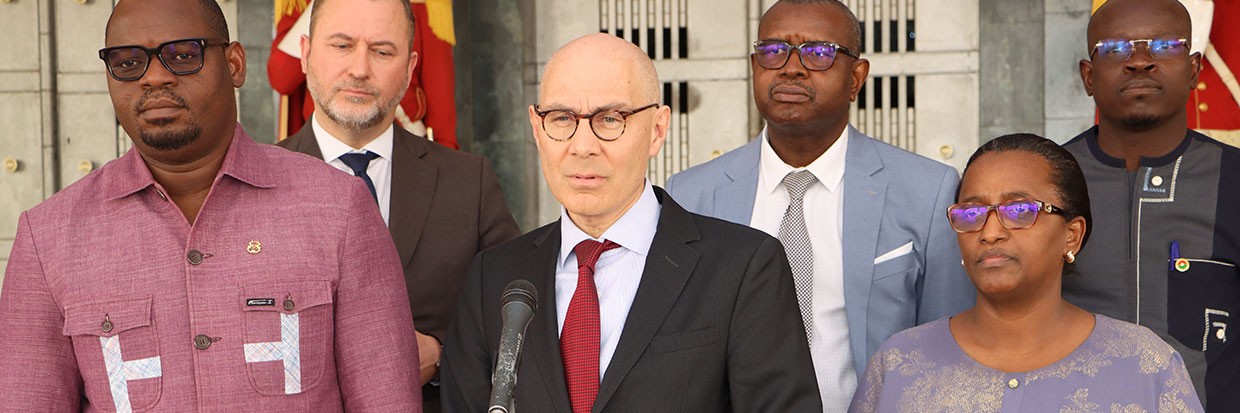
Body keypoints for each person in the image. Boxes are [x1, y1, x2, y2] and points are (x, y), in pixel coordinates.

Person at [0, 0, 422, 411]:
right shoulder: (48, 237)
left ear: (235, 64)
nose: (156, 77)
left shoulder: (339, 208)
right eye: (129, 62)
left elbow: (387, 400)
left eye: (183, 55)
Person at [440, 33, 822, 412]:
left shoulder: (744, 266)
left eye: (610, 119)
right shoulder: (493, 278)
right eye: (561, 118)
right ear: (537, 129)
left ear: (657, 129)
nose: (583, 145)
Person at [665, 0, 973, 408]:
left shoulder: (928, 190)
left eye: (819, 52)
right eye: (774, 51)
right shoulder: (690, 196)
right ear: (754, 65)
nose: (791, 67)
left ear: (856, 78)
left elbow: (948, 346)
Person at [274, 0, 521, 408]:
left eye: (382, 51)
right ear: (304, 54)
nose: (359, 68)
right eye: (341, 45)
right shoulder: (254, 185)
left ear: (409, 69)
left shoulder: (468, 183)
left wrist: (444, 354)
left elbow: (520, 312)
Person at [850, 134, 1202, 413]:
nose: (990, 232)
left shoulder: (1144, 365)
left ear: (1072, 235)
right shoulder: (899, 364)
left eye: (1019, 210)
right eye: (971, 214)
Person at [1064, 0, 1240, 409]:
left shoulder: (1233, 180)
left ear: (1194, 69)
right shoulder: (1045, 184)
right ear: (1088, 77)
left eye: (1163, 46)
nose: (1139, 61)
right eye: (1114, 49)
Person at [268, 0, 459, 147]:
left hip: (400, 151)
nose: (359, 71)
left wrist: (443, 174)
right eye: (341, 46)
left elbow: (441, 106)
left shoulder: (428, 5)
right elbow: (282, 78)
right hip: (319, 153)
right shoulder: (300, 3)